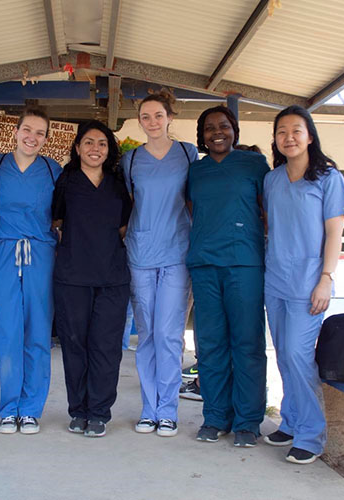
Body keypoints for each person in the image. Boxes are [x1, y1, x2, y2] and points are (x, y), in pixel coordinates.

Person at [263, 105, 344, 464]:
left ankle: (312, 436)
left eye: (296, 130)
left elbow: (334, 232)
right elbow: (272, 228)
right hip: (275, 279)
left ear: (310, 136)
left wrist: (325, 279)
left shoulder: (328, 179)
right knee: (284, 355)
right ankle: (292, 420)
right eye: (282, 131)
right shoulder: (272, 180)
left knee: (299, 356)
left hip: (309, 283)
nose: (289, 137)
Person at [187, 106, 270, 447]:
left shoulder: (254, 165)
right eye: (209, 128)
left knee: (247, 344)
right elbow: (194, 211)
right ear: (201, 136)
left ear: (235, 130)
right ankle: (216, 416)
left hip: (244, 264)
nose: (216, 132)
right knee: (209, 344)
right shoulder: (195, 171)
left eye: (223, 126)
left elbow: (267, 211)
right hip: (205, 264)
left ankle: (248, 421)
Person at [0, 107, 62, 435]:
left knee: (38, 329)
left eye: (40, 133)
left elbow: (60, 215)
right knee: (5, 330)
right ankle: (8, 407)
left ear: (46, 138)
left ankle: (30, 409)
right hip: (2, 252)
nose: (32, 137)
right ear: (15, 131)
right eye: (27, 130)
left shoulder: (52, 169)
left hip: (40, 253)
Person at [121, 91, 198, 437]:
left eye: (158, 115)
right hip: (140, 253)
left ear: (170, 117)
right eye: (146, 117)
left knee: (169, 334)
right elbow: (129, 204)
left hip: (177, 253)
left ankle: (167, 410)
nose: (152, 122)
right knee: (147, 333)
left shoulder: (187, 153)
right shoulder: (132, 160)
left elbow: (195, 201)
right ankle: (148, 409)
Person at [52, 120, 132, 438]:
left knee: (106, 346)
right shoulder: (66, 181)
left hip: (112, 277)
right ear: (77, 148)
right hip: (72, 277)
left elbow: (125, 227)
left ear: (109, 149)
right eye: (88, 142)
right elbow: (56, 221)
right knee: (74, 345)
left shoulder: (117, 184)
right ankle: (78, 410)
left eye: (101, 143)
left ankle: (99, 412)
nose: (94, 148)